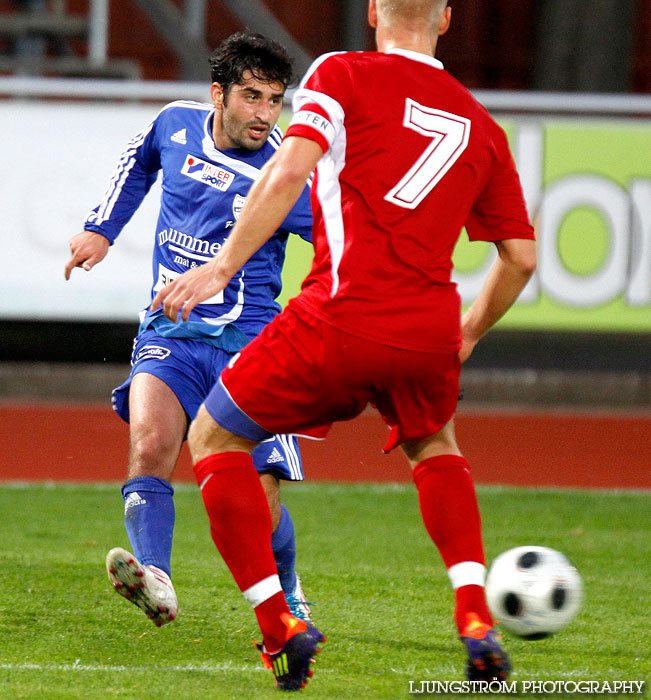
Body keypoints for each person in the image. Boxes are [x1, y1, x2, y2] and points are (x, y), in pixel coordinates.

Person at [153, 0, 537, 691]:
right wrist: (468, 333)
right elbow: (519, 257)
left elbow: (289, 169)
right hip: (425, 329)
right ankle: (475, 618)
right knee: (434, 446)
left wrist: (220, 268)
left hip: (339, 314)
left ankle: (279, 627)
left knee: (213, 437)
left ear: (371, 13)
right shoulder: (480, 124)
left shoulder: (341, 73)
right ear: (445, 20)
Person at [63, 31, 315, 627]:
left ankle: (289, 590)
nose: (263, 113)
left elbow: (339, 247)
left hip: (248, 345)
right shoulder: (174, 126)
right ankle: (156, 579)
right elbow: (138, 163)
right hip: (171, 330)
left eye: (275, 100)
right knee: (150, 446)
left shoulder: (284, 175)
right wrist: (102, 228)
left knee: (259, 499)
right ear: (217, 95)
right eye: (251, 96)